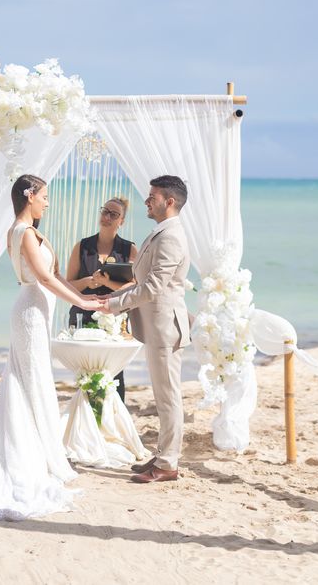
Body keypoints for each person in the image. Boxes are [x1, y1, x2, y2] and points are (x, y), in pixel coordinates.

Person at [0, 174, 103, 520]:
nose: (47, 203)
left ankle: (37, 450)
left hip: (34, 308)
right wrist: (83, 303)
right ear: (29, 197)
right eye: (45, 197)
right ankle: (28, 455)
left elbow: (54, 277)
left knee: (29, 381)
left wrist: (84, 295)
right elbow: (44, 277)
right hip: (30, 311)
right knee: (30, 381)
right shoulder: (24, 232)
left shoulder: (21, 231)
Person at [100, 175, 190, 484]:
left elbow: (153, 287)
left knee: (168, 398)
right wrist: (108, 299)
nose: (147, 201)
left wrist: (114, 305)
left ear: (169, 201)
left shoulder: (171, 236)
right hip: (157, 327)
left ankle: (167, 464)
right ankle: (164, 454)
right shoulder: (162, 231)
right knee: (164, 396)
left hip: (166, 328)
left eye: (153, 197)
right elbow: (143, 282)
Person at [65, 196, 138, 401]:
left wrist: (108, 283)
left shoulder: (130, 249)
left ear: (121, 221)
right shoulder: (82, 246)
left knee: (115, 372)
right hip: (82, 316)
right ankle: (88, 415)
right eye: (105, 211)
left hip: (115, 318)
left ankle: (114, 414)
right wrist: (87, 282)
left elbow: (135, 287)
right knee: (85, 371)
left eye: (114, 214)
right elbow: (68, 285)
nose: (107, 217)